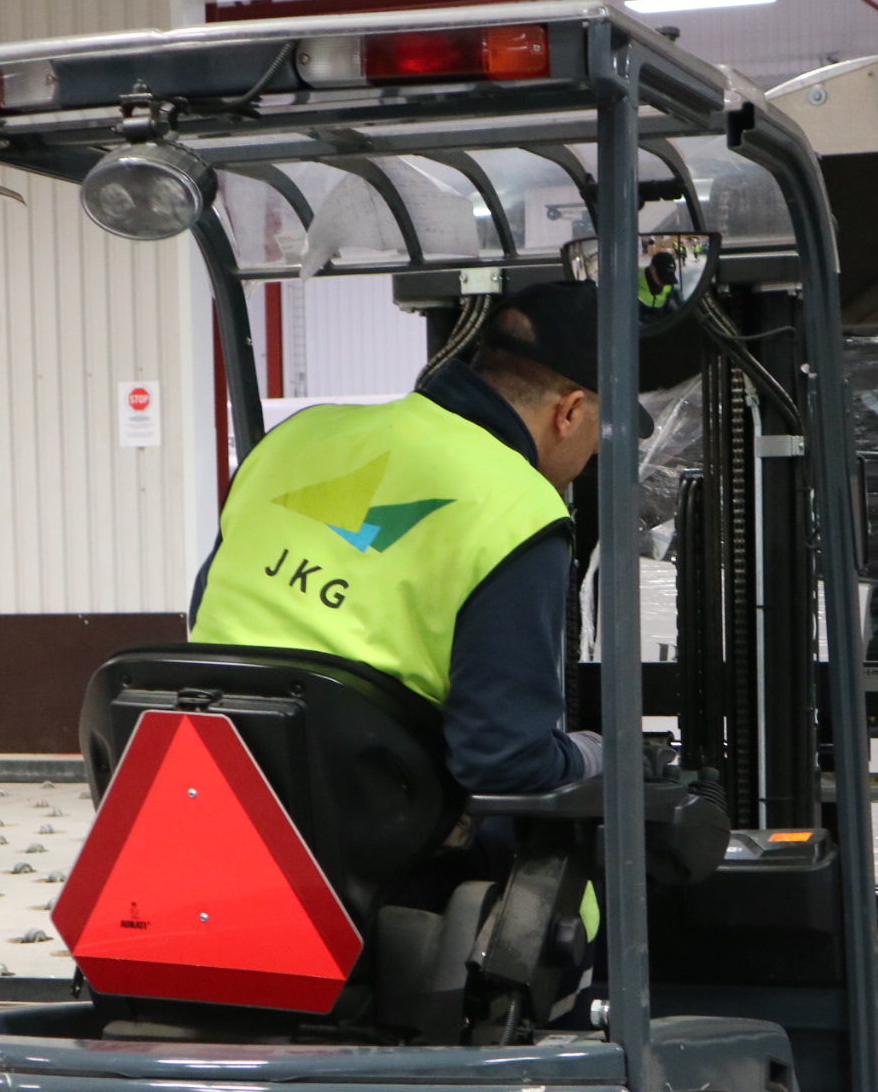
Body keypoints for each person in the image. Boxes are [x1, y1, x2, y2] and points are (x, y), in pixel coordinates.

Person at [190, 280, 647, 795]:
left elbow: (208, 607)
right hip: (362, 822)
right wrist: (603, 754)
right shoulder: (521, 509)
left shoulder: (300, 433)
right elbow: (503, 761)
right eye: (600, 435)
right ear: (570, 412)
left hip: (206, 775)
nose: (592, 458)